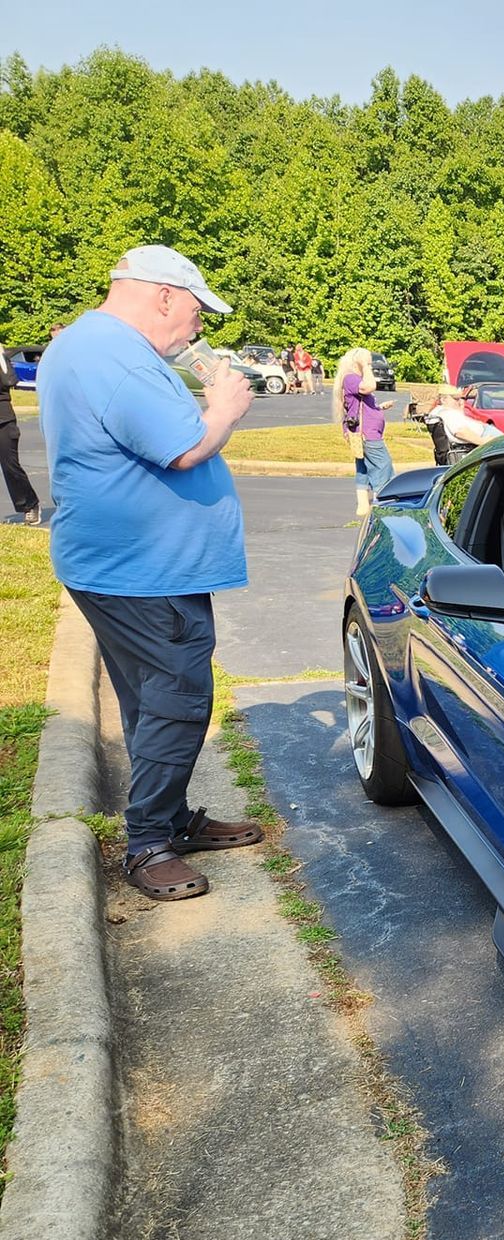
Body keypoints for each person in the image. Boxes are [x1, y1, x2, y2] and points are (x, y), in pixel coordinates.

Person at [36, 244, 263, 901]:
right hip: (142, 571)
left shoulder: (95, 346)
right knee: (178, 697)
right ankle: (149, 843)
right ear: (163, 295)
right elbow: (185, 447)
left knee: (152, 701)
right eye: (195, 310)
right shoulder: (110, 353)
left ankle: (168, 819)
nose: (198, 325)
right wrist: (223, 406)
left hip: (129, 565)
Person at [333, 347, 395, 515]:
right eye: (368, 362)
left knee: (364, 468)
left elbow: (359, 406)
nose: (370, 365)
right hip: (367, 433)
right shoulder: (351, 378)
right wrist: (364, 365)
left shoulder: (352, 380)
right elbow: (369, 386)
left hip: (361, 431)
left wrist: (380, 407)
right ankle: (382, 504)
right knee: (383, 466)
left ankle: (363, 505)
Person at [0, 342, 42, 523]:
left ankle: (29, 504)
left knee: (11, 467)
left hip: (3, 420)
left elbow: (10, 381)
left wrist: (1, 359)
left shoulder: (3, 359)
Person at [428, 386, 502, 451]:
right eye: (456, 399)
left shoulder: (438, 412)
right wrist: (482, 441)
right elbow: (460, 432)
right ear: (443, 400)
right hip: (485, 437)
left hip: (485, 432)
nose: (460, 402)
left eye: (461, 398)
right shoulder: (447, 413)